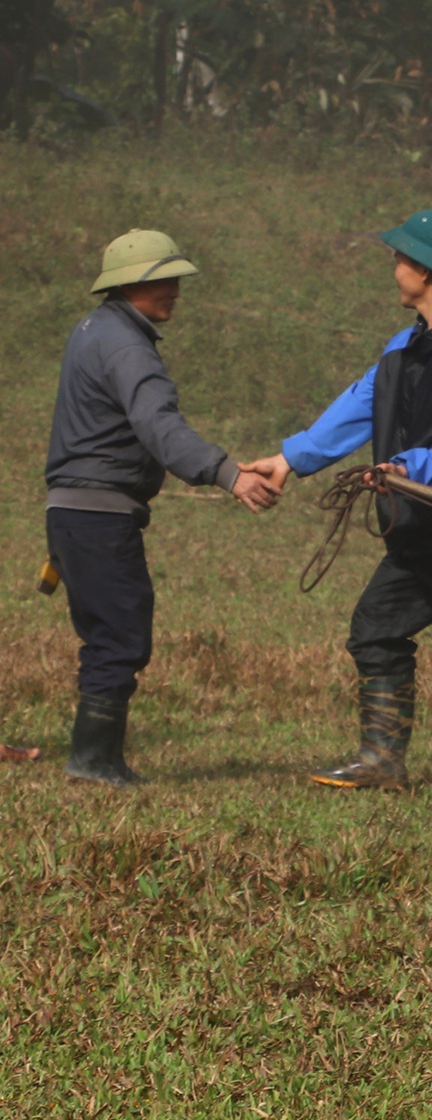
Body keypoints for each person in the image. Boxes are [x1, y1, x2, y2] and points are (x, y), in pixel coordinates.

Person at [245, 210, 432, 793]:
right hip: (413, 531)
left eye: (400, 259)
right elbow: (361, 404)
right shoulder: (405, 347)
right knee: (375, 631)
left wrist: (406, 468)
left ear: (425, 271)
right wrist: (291, 459)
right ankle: (381, 762)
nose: (394, 268)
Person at [45, 230, 280, 786]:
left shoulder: (93, 330)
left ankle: (96, 757)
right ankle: (94, 762)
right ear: (130, 285)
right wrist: (229, 475)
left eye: (176, 278)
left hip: (75, 511)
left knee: (110, 629)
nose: (175, 290)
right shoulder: (127, 346)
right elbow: (159, 426)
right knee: (119, 634)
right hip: (99, 513)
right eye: (163, 280)